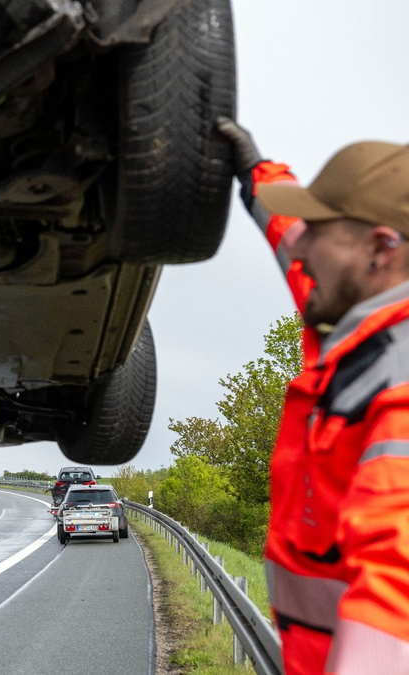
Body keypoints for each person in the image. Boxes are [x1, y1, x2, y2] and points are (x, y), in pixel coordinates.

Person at [218, 118, 409, 675]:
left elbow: (396, 582)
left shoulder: (397, 379)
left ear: (381, 248)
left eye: (319, 232)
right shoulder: (353, 316)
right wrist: (256, 172)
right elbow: (291, 235)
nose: (299, 251)